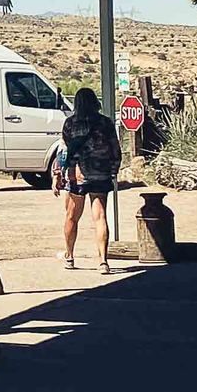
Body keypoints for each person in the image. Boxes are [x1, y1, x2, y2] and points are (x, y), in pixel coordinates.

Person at [54, 87, 121, 273]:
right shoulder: (106, 123)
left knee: (72, 216)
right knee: (100, 217)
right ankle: (103, 261)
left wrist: (59, 173)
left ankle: (70, 256)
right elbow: (115, 149)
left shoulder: (70, 124)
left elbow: (65, 150)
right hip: (101, 173)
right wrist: (113, 170)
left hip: (78, 175)